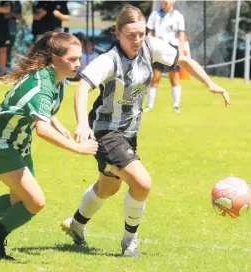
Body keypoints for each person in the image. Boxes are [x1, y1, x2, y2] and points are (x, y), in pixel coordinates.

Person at [61, 5, 229, 258]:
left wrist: (210, 83)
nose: (137, 40)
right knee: (142, 183)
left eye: (140, 34)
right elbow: (82, 88)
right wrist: (82, 124)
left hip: (129, 132)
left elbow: (183, 59)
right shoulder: (109, 60)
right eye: (131, 35)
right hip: (106, 131)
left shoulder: (150, 46)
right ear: (118, 33)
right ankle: (130, 242)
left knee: (108, 188)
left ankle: (76, 224)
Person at [0, 32, 98, 260]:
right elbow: (42, 130)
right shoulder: (42, 83)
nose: (77, 64)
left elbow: (40, 110)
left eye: (79, 58)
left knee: (19, 199)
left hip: (17, 142)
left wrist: (57, 123)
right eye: (72, 59)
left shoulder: (57, 79)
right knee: (35, 201)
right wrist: (77, 148)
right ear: (54, 58)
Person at [144, 0, 185, 113]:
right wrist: (149, 45)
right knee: (155, 77)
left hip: (172, 49)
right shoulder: (155, 14)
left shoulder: (178, 16)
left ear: (173, 2)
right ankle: (150, 105)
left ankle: (176, 105)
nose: (165, 2)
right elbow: (149, 32)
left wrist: (181, 50)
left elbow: (181, 34)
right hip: (158, 48)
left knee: (174, 78)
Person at [6, 1, 23, 68]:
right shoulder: (5, 2)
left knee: (12, 48)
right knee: (6, 49)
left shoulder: (18, 3)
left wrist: (12, 14)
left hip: (15, 30)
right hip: (3, 29)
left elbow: (21, 16)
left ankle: (10, 67)